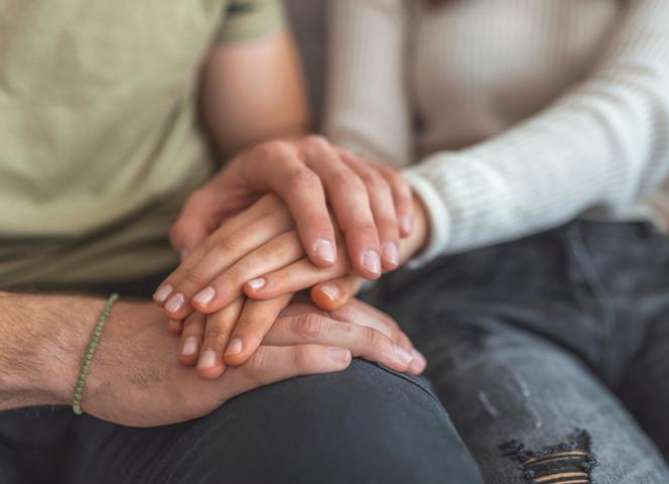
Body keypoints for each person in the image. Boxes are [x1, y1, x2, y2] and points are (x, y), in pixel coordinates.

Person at [0, 1, 482, 482]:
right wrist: (85, 346)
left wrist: (291, 195)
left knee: (366, 434)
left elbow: (262, 131)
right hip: (75, 330)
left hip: (178, 302)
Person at [320, 0, 669, 482]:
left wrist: (423, 205)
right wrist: (342, 251)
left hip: (665, 284)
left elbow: (636, 114)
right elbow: (362, 163)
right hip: (470, 293)